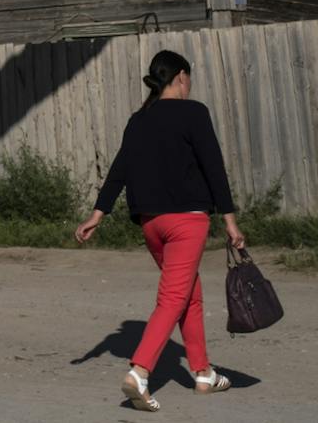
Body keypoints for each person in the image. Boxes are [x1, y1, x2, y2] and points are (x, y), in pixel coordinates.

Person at [74, 49, 244, 411]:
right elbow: (213, 167)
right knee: (172, 298)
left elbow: (119, 168)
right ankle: (140, 371)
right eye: (189, 79)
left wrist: (98, 213)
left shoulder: (139, 120)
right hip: (187, 222)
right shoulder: (194, 113)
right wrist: (229, 220)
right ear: (181, 77)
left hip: (151, 223)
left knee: (188, 294)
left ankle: (202, 373)